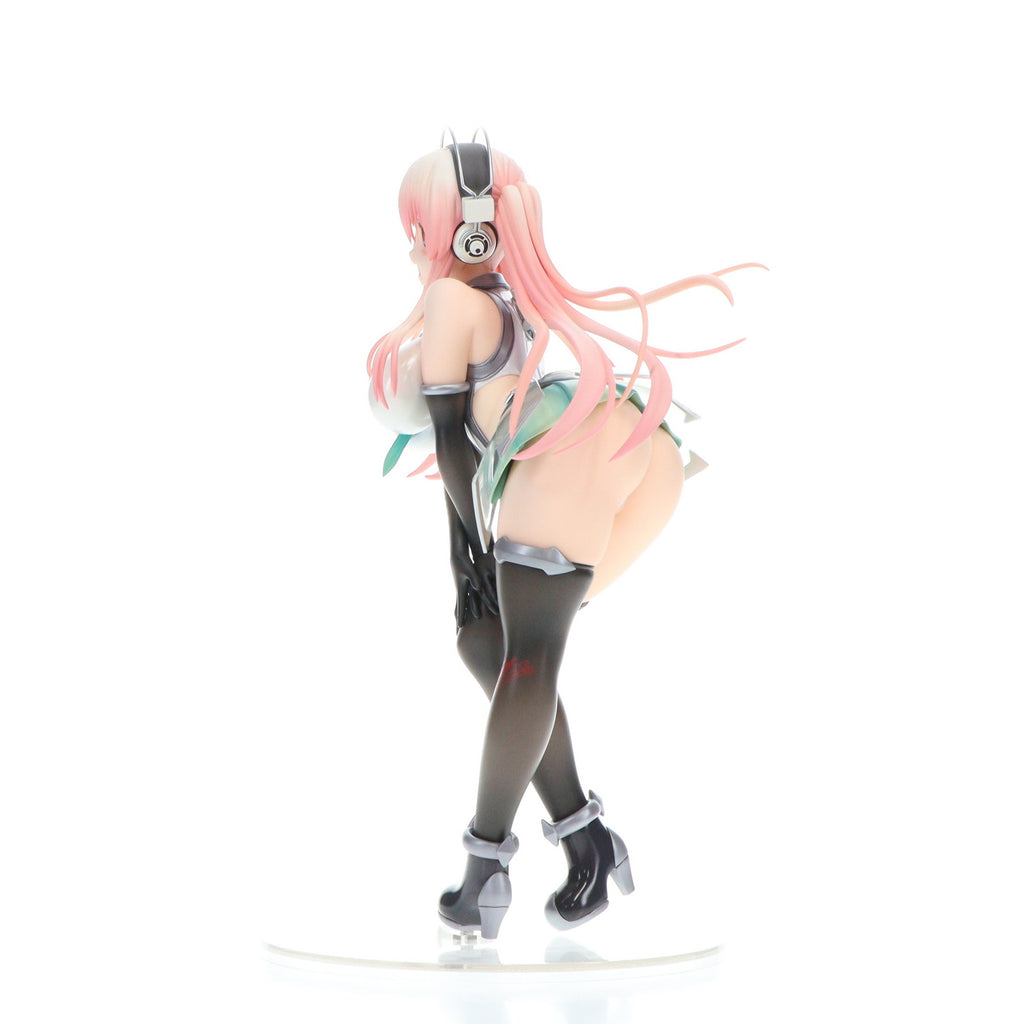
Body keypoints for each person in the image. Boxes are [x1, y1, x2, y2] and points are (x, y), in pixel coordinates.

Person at [367, 131, 755, 940]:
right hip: (621, 455)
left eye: (418, 227)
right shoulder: (497, 299)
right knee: (493, 646)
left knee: (523, 662)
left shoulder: (450, 302)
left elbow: (453, 445)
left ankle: (485, 870)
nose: (410, 245)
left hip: (571, 460)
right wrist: (472, 561)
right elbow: (466, 451)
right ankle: (587, 841)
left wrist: (467, 554)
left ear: (467, 233)